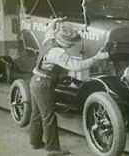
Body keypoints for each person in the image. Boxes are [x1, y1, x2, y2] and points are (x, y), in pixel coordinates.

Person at [29, 17, 109, 156]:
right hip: (44, 84)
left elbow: (50, 28)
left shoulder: (49, 39)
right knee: (48, 116)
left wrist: (57, 21)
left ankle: (35, 142)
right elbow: (77, 66)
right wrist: (97, 57)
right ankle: (52, 149)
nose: (71, 46)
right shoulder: (57, 52)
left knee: (37, 114)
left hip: (35, 81)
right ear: (64, 41)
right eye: (70, 43)